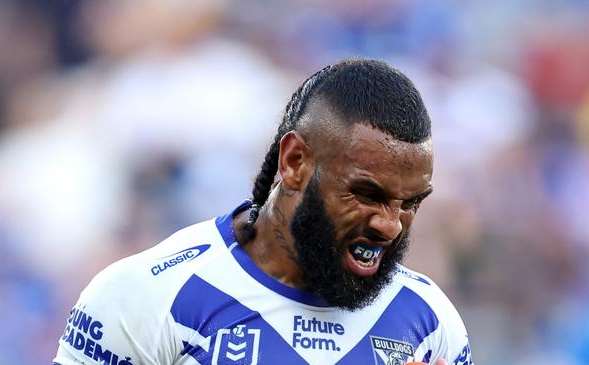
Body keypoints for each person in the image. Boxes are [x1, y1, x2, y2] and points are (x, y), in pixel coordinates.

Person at [53, 59, 474, 365]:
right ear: (294, 162)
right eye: (366, 194)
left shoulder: (430, 323)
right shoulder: (147, 297)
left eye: (410, 203)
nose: (389, 224)